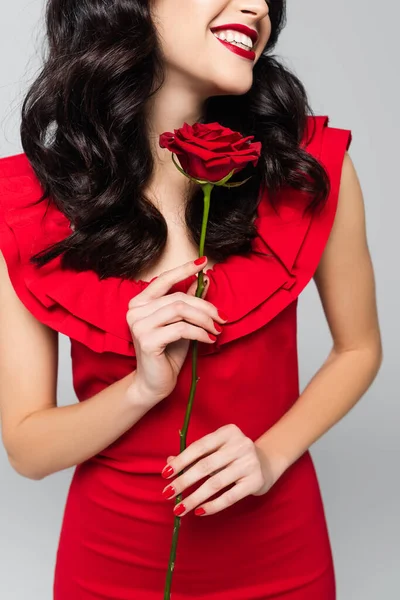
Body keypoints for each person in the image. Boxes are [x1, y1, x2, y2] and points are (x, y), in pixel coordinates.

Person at [0, 1, 382, 599]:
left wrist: (270, 456)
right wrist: (142, 389)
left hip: (281, 555)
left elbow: (359, 348)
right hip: (109, 564)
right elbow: (27, 447)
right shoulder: (28, 206)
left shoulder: (306, 167)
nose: (256, 6)